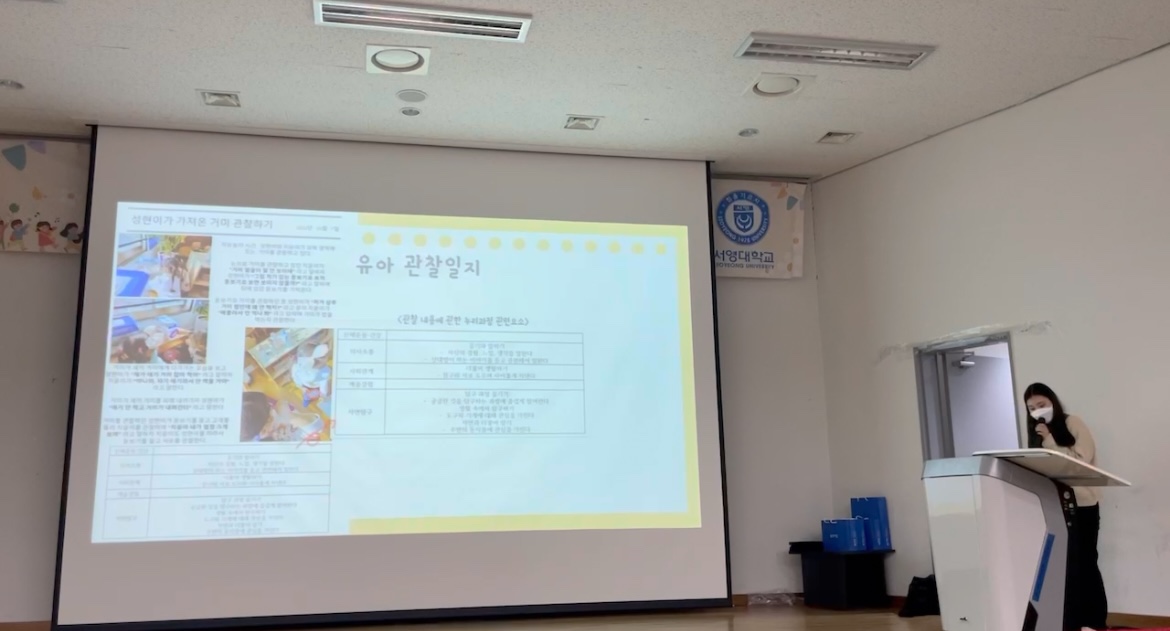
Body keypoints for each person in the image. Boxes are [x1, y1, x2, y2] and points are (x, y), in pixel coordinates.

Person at [1023, 382, 1106, 631]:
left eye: (1042, 405)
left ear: (1053, 402)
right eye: (1031, 408)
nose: (1037, 411)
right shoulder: (1036, 433)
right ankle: (1071, 620)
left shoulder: (1072, 423)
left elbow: (1081, 460)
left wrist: (1049, 440)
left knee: (1086, 561)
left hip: (1083, 503)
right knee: (1064, 564)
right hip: (1054, 504)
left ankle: (1094, 621)